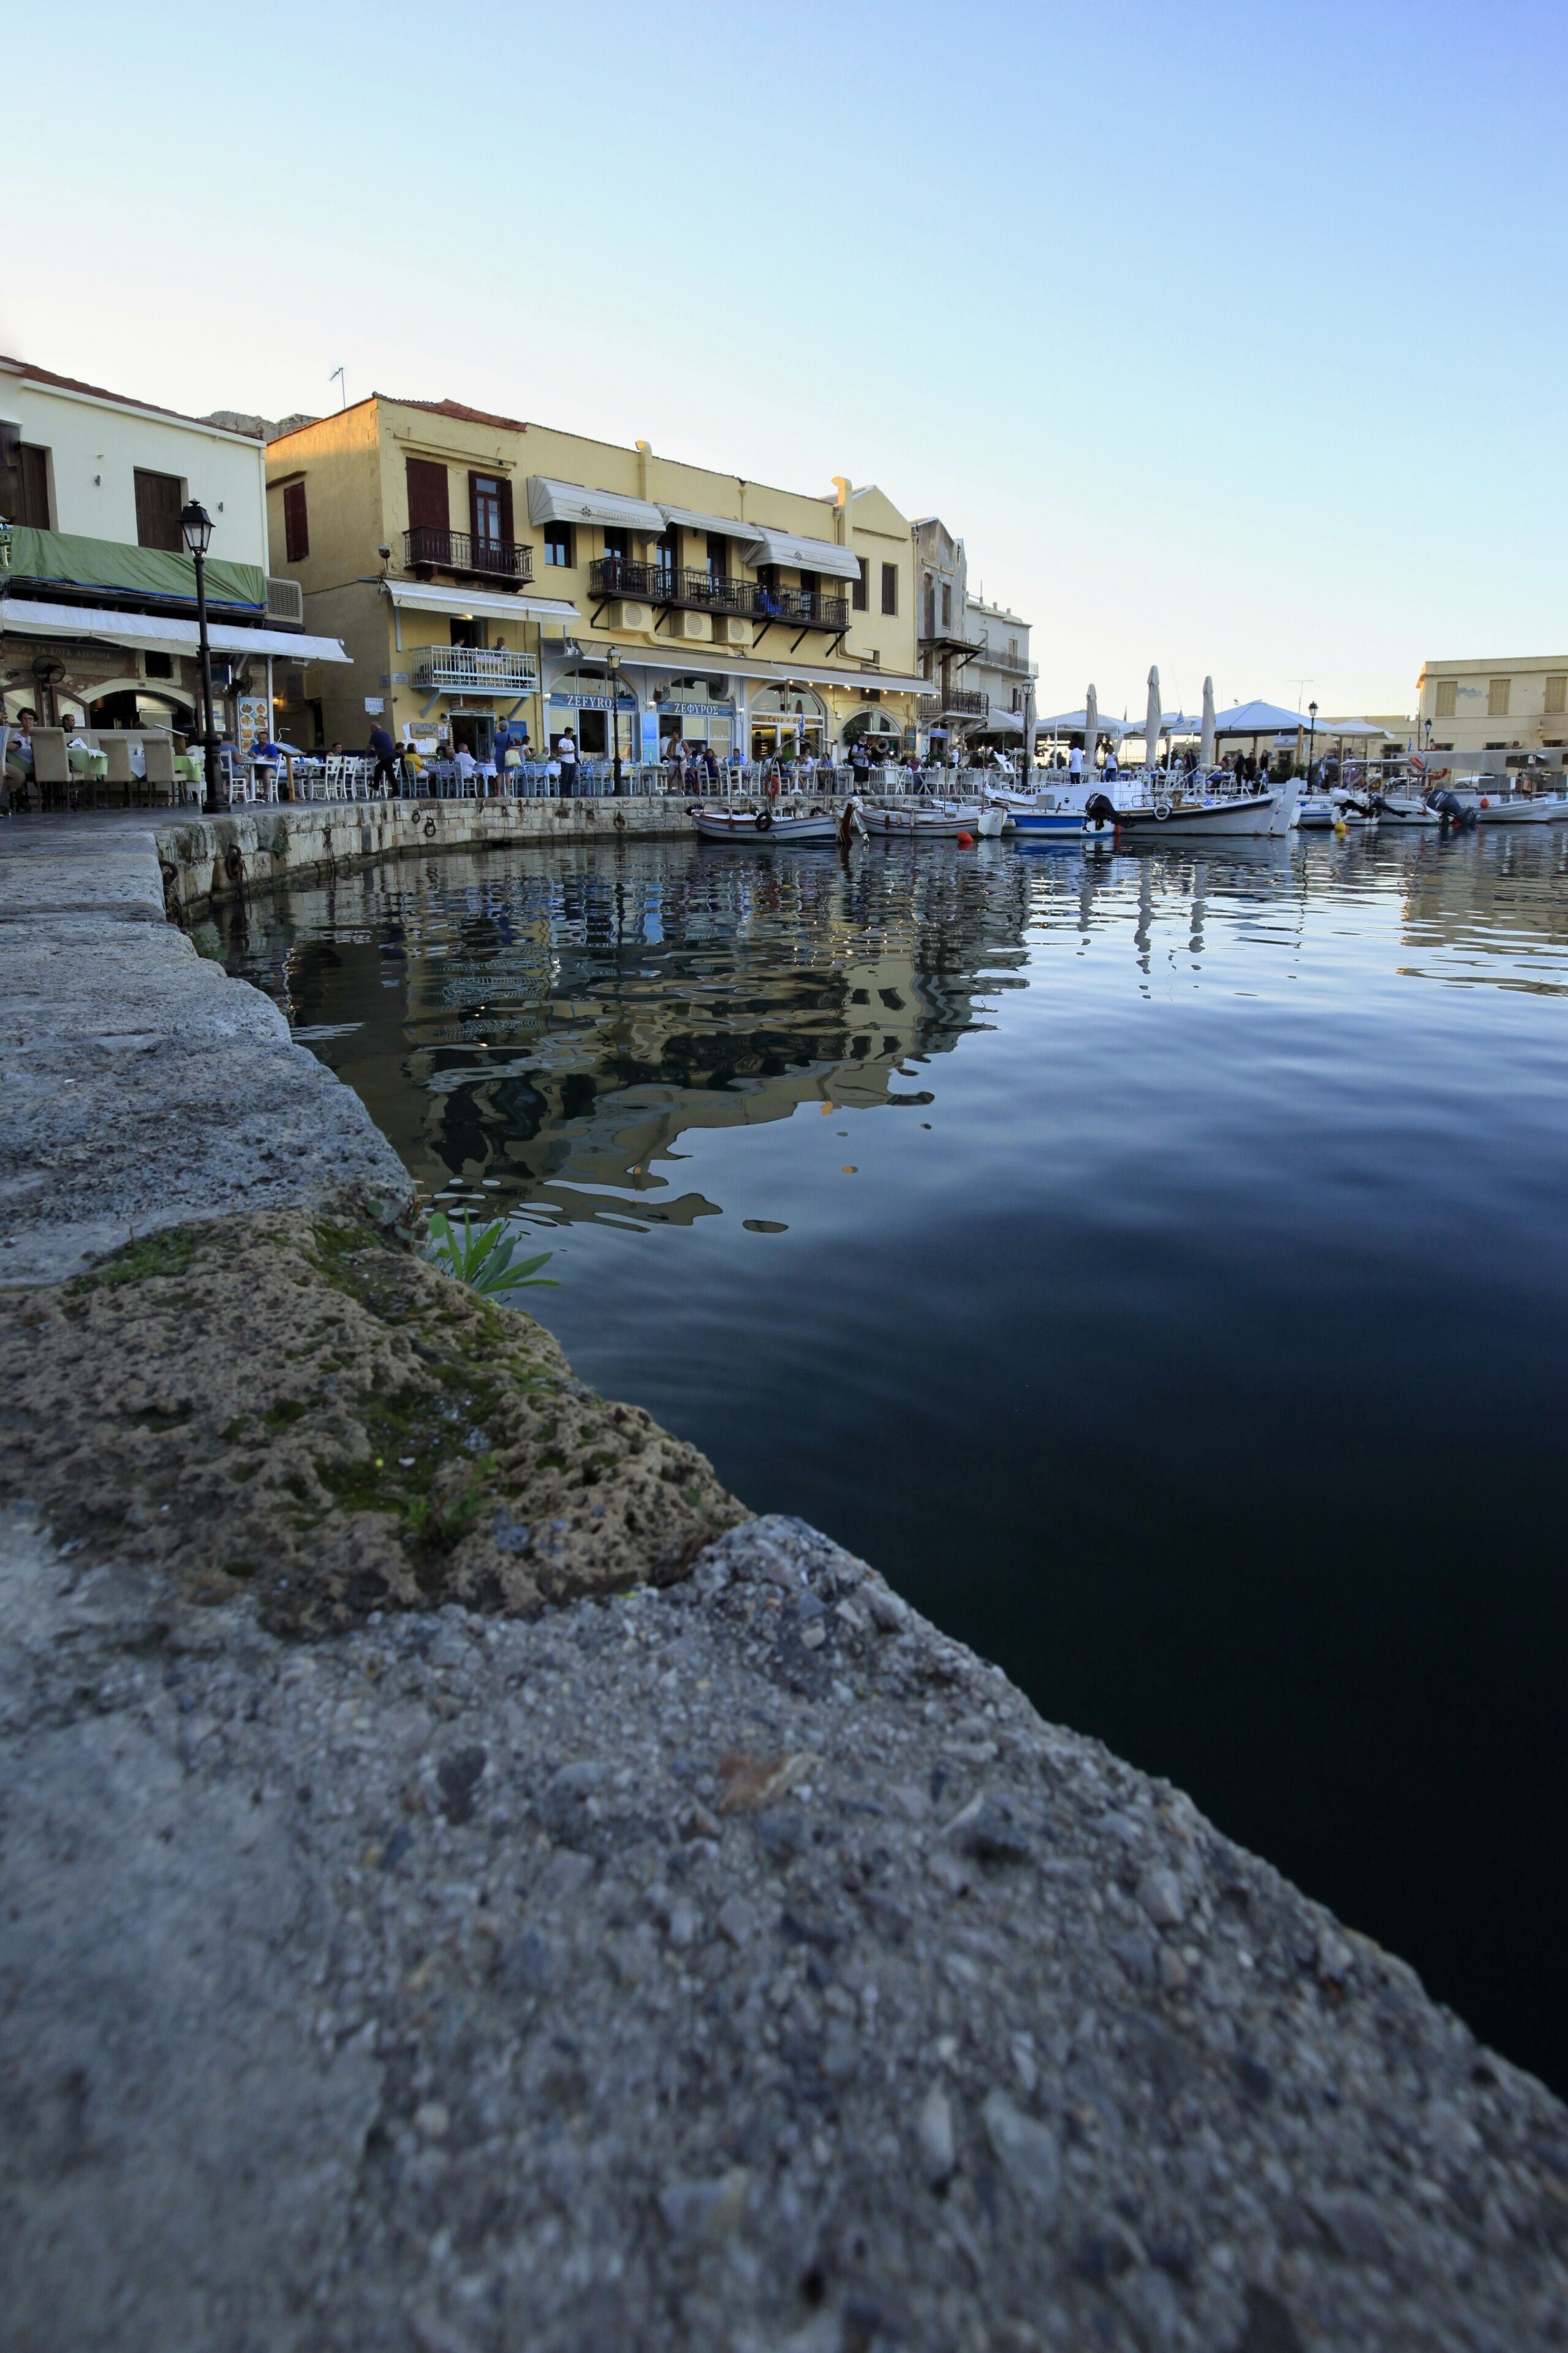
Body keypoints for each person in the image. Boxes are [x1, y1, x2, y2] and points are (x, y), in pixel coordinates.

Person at [368, 720, 399, 795]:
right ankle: (376, 786)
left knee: (391, 775)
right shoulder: (385, 734)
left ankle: (396, 793)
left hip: (386, 757)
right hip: (391, 755)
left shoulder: (375, 734)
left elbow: (370, 746)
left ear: (375, 728)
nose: (370, 730)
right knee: (378, 767)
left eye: (371, 728)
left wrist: (366, 754)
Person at [555, 727, 578, 798]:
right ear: (567, 733)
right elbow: (560, 751)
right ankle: (563, 793)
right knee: (565, 777)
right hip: (565, 761)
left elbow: (573, 751)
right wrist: (569, 752)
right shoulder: (562, 741)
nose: (572, 735)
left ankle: (569, 792)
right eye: (571, 733)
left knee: (571, 777)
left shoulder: (571, 742)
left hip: (572, 761)